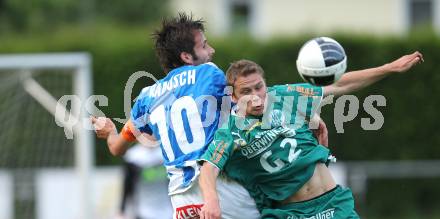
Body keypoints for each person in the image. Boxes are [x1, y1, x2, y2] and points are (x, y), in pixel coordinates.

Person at [199, 54, 423, 219]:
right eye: (246, 92)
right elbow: (209, 167)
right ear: (234, 97)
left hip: (334, 203)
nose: (256, 97)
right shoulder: (231, 130)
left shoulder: (285, 96)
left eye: (259, 87)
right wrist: (211, 200)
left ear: (265, 84)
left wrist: (388, 67)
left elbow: (337, 84)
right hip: (292, 213)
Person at [92, 13, 262, 219]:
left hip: (182, 204)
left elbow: (116, 147)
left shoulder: (147, 98)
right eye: (204, 46)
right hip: (222, 192)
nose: (211, 51)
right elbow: (250, 103)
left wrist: (110, 131)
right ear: (186, 56)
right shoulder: (209, 73)